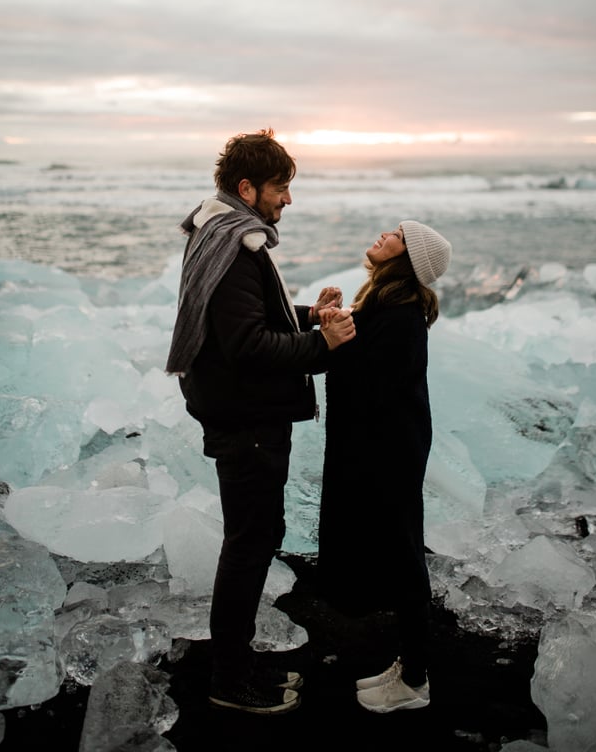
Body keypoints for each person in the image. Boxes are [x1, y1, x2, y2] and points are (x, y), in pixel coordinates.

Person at [165, 128, 355, 715]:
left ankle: (235, 664)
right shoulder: (233, 247)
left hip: (240, 415)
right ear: (247, 187)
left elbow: (248, 320)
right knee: (249, 547)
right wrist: (323, 344)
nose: (287, 200)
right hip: (246, 424)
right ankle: (230, 679)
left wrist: (305, 314)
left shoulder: (219, 233)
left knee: (253, 540)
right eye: (281, 188)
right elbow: (248, 346)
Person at [316, 220, 452, 714]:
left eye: (395, 234)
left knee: (406, 560)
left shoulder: (402, 315)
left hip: (391, 450)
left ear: (407, 257)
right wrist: (332, 321)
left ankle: (415, 680)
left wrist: (337, 343)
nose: (382, 235)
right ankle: (409, 667)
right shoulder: (385, 304)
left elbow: (375, 387)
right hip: (385, 445)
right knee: (398, 555)